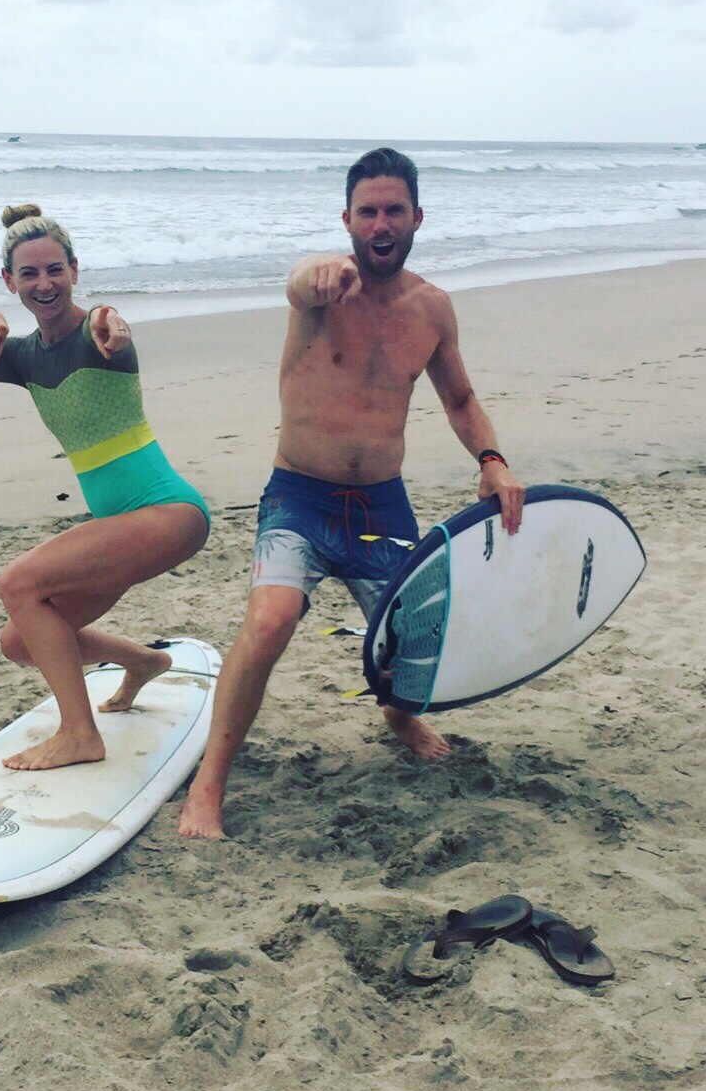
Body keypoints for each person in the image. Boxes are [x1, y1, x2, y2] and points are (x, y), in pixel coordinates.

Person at [177, 147, 526, 839]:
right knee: (271, 621)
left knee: (417, 641)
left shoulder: (432, 309)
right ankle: (209, 785)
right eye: (367, 212)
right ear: (346, 219)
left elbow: (460, 399)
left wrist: (493, 461)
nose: (380, 223)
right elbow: (298, 281)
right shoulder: (321, 289)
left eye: (394, 210)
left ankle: (397, 715)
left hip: (381, 506)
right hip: (299, 500)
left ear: (418, 217)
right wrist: (318, 271)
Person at [0, 203, 210, 771]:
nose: (44, 283)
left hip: (167, 513)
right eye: (28, 273)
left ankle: (80, 734)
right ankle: (143, 661)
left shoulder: (95, 331)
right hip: (118, 526)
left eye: (55, 269)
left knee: (18, 582)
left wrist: (111, 319)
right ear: (9, 281)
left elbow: (110, 327)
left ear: (75, 270)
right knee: (19, 641)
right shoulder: (22, 357)